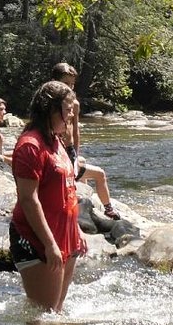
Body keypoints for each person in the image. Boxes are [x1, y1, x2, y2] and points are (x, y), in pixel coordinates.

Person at [9, 79, 86, 311]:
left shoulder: (56, 140)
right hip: (37, 240)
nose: (71, 116)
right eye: (68, 110)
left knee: (55, 313)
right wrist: (50, 244)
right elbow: (28, 199)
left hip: (64, 235)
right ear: (52, 109)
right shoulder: (30, 146)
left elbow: (68, 189)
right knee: (43, 317)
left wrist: (76, 230)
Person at [50, 61, 120, 220]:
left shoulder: (74, 103)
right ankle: (106, 208)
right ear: (54, 81)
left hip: (69, 151)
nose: (69, 87)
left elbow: (75, 130)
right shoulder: (49, 104)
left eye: (72, 84)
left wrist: (75, 152)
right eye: (65, 83)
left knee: (81, 163)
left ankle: (90, 204)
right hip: (57, 152)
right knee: (99, 174)